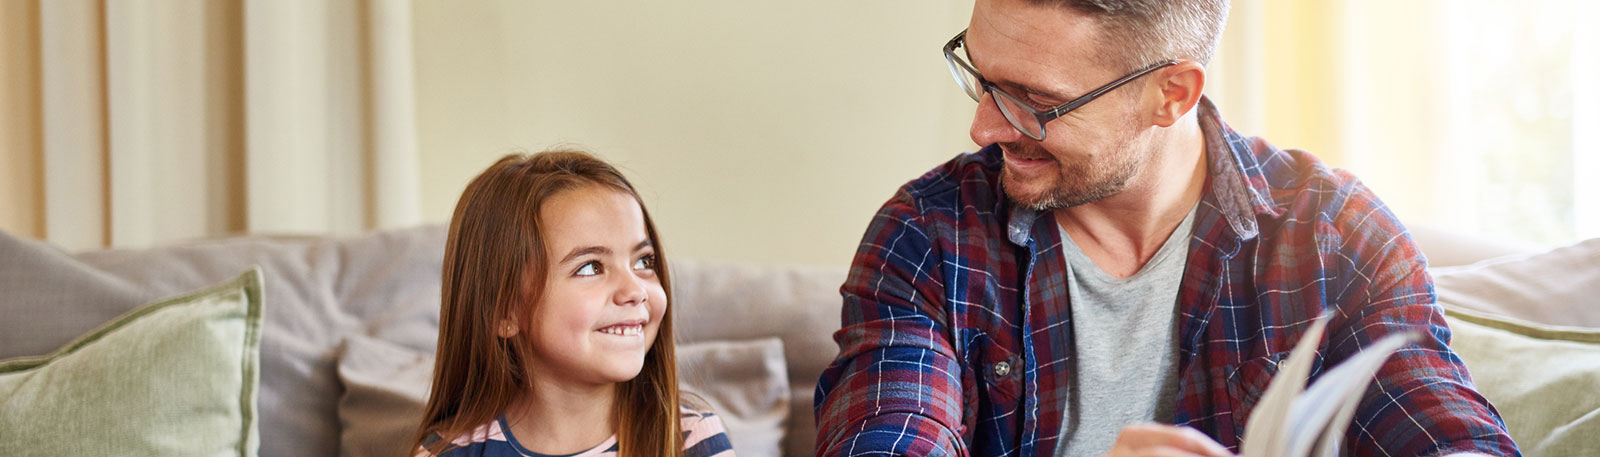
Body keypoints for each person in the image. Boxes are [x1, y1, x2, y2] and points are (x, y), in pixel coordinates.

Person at [813, 1, 1519, 456]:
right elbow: (886, 438)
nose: (985, 126)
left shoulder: (1336, 237)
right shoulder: (930, 236)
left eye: (1034, 100)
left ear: (1171, 93)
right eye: (981, 76)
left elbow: (1447, 434)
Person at [413, 151, 735, 457]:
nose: (635, 289)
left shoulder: (693, 440)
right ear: (504, 310)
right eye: (591, 267)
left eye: (643, 261)